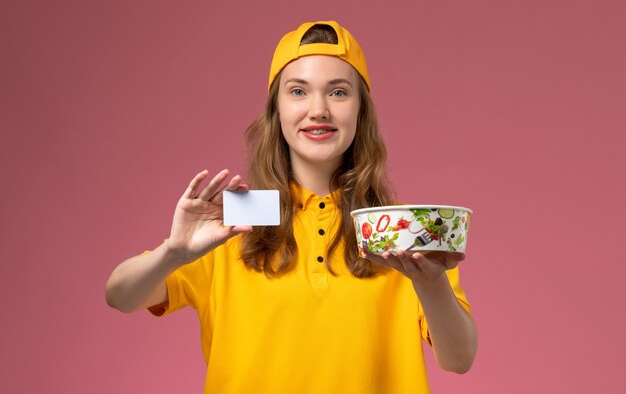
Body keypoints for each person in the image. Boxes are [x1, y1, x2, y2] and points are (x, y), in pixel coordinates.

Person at [105, 20, 478, 393]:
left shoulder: (398, 226)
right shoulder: (239, 216)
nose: (318, 110)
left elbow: (459, 359)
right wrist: (173, 253)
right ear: (276, 111)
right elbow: (120, 295)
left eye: (338, 92)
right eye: (298, 91)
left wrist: (429, 282)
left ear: (361, 111)